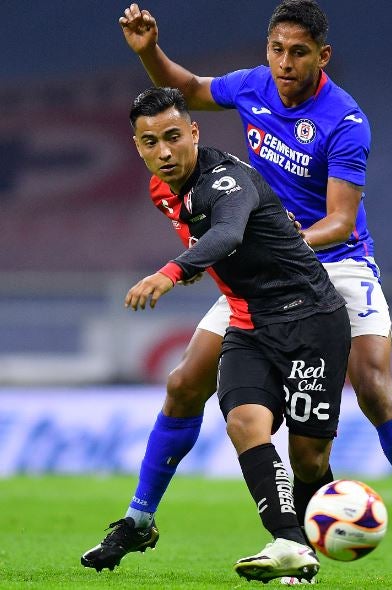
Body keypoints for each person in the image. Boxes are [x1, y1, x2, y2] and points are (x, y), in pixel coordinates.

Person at [85, 0, 392, 584]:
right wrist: (148, 51)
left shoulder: (345, 120)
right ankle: (138, 519)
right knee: (184, 383)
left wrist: (276, 242)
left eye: (298, 52)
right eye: (277, 49)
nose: (284, 63)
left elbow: (339, 220)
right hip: (260, 266)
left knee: (375, 385)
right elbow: (184, 89)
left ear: (322, 56)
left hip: (333, 262)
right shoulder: (253, 86)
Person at [82, 87, 351, 583]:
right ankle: (289, 542)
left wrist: (169, 273)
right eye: (149, 142)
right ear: (136, 146)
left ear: (195, 133)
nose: (163, 152)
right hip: (248, 323)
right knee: (244, 422)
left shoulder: (224, 181)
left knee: (309, 458)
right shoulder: (163, 191)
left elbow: (226, 235)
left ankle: (317, 537)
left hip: (309, 318)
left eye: (173, 137)